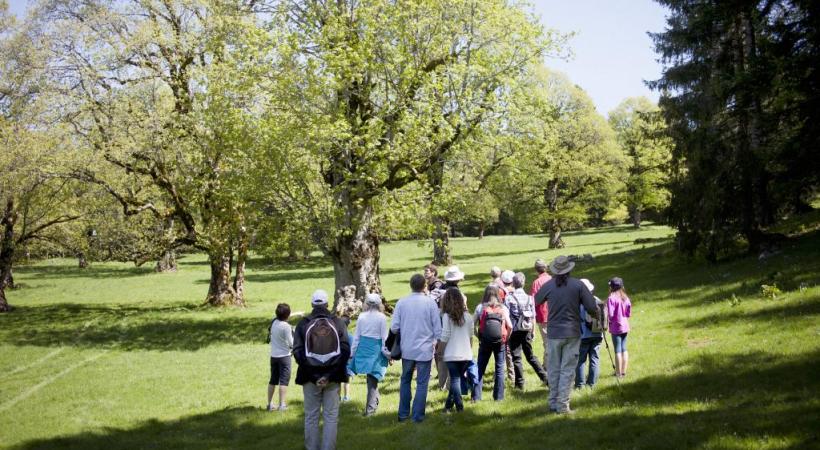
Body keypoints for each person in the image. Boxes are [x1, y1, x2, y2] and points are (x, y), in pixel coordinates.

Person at [534, 255, 598, 414]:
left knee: (554, 368)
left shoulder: (549, 285)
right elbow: (592, 307)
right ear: (569, 269)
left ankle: (553, 403)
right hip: (572, 332)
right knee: (568, 370)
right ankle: (562, 405)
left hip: (554, 332)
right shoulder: (578, 285)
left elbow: (536, 300)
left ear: (555, 270)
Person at [293, 290, 351, 450]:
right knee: (331, 416)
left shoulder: (303, 324)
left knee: (311, 416)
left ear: (312, 304)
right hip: (334, 377)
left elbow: (297, 352)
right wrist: (329, 376)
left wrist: (315, 376)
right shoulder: (338, 323)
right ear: (327, 304)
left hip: (309, 377)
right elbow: (345, 351)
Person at [391, 274, 442, 423]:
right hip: (424, 349)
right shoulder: (430, 303)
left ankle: (403, 414)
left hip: (407, 348)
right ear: (424, 286)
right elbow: (437, 329)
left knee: (405, 380)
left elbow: (394, 327)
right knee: (421, 383)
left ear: (410, 285)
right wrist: (436, 342)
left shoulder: (402, 303)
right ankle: (417, 416)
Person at [348, 293, 389, 416]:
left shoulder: (362, 317)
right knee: (372, 378)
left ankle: (371, 408)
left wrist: (352, 353)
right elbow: (384, 337)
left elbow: (356, 337)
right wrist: (387, 353)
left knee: (371, 379)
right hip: (376, 349)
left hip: (364, 349)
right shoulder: (381, 317)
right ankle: (371, 407)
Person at [437, 287, 477, 412]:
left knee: (455, 379)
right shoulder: (468, 316)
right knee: (457, 379)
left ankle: (459, 406)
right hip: (465, 354)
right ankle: (448, 406)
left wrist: (440, 351)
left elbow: (445, 336)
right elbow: (471, 337)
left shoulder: (446, 317)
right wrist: (469, 351)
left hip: (451, 354)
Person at [506, 273, 548, 389]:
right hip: (527, 329)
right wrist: (533, 331)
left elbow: (506, 316)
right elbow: (533, 316)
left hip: (514, 331)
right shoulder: (530, 298)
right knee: (530, 356)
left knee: (516, 357)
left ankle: (520, 384)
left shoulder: (509, 298)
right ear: (524, 283)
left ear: (513, 284)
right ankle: (545, 378)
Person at [474, 285, 512, 401]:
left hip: (485, 341)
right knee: (499, 368)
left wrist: (478, 335)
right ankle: (499, 397)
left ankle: (476, 397)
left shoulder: (480, 307)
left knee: (480, 367)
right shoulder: (503, 308)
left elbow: (472, 324)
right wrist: (506, 339)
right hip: (500, 342)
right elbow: (510, 326)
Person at [432, 266, 466, 390]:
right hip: (456, 327)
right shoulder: (460, 295)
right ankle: (452, 383)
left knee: (441, 356)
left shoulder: (436, 292)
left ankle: (442, 383)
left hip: (440, 327)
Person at [575, 279, 603, 389]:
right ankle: (592, 383)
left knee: (581, 360)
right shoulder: (597, 300)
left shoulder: (578, 303)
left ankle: (580, 384)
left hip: (583, 335)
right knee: (594, 358)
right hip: (597, 333)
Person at [267, 303, 294, 411]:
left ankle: (269, 404)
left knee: (273, 380)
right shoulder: (286, 327)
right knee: (283, 381)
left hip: (274, 356)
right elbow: (291, 343)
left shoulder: (274, 322)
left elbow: (283, 317)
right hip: (284, 357)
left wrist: (298, 313)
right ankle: (282, 405)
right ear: (287, 315)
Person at [530, 258, 551, 374]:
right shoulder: (552, 280)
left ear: (536, 270)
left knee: (547, 341)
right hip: (555, 313)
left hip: (543, 315)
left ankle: (547, 366)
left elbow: (534, 301)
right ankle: (546, 363)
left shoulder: (536, 283)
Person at [607, 277, 632, 378]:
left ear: (611, 287)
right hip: (625, 326)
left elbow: (611, 314)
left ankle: (618, 373)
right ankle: (623, 372)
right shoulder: (625, 297)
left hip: (616, 327)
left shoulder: (611, 298)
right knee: (624, 348)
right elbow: (628, 313)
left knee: (617, 350)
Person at [500, 270, 515, 381]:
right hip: (517, 324)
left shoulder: (501, 292)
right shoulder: (516, 291)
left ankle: (510, 374)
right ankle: (513, 374)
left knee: (507, 350)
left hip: (506, 324)